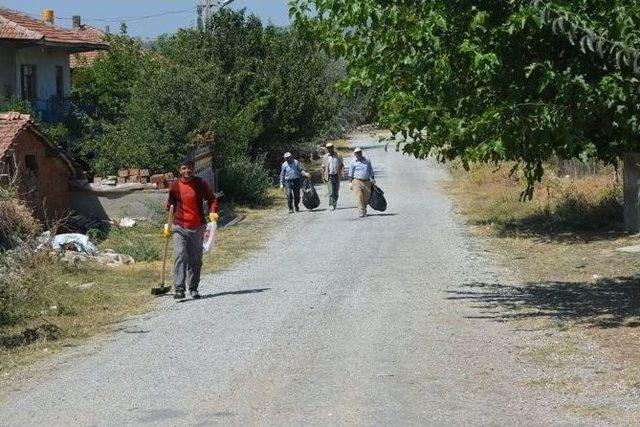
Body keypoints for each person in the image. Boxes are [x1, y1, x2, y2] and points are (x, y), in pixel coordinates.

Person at [164, 158, 219, 300]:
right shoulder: (175, 186)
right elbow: (170, 206)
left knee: (195, 260)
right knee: (180, 255)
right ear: (179, 170)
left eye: (189, 168)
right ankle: (179, 289)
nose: (187, 171)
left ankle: (193, 288)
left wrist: (213, 212)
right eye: (184, 168)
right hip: (179, 226)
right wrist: (167, 225)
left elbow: (212, 199)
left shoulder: (200, 183)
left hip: (197, 227)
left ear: (193, 169)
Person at [348, 147, 375, 218]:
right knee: (359, 197)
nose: (359, 154)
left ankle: (364, 209)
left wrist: (373, 178)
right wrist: (350, 183)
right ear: (354, 154)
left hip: (366, 181)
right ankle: (361, 211)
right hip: (357, 181)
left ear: (361, 152)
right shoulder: (353, 162)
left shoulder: (367, 160)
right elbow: (351, 173)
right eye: (357, 153)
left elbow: (370, 169)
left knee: (366, 197)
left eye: (360, 152)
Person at [321, 142, 344, 210]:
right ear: (327, 149)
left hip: (337, 175)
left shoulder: (338, 155)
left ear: (333, 147)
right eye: (328, 148)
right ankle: (331, 204)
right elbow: (323, 167)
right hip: (329, 176)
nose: (329, 149)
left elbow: (341, 165)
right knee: (331, 191)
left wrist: (342, 172)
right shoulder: (325, 157)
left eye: (330, 147)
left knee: (336, 191)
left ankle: (335, 203)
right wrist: (322, 176)